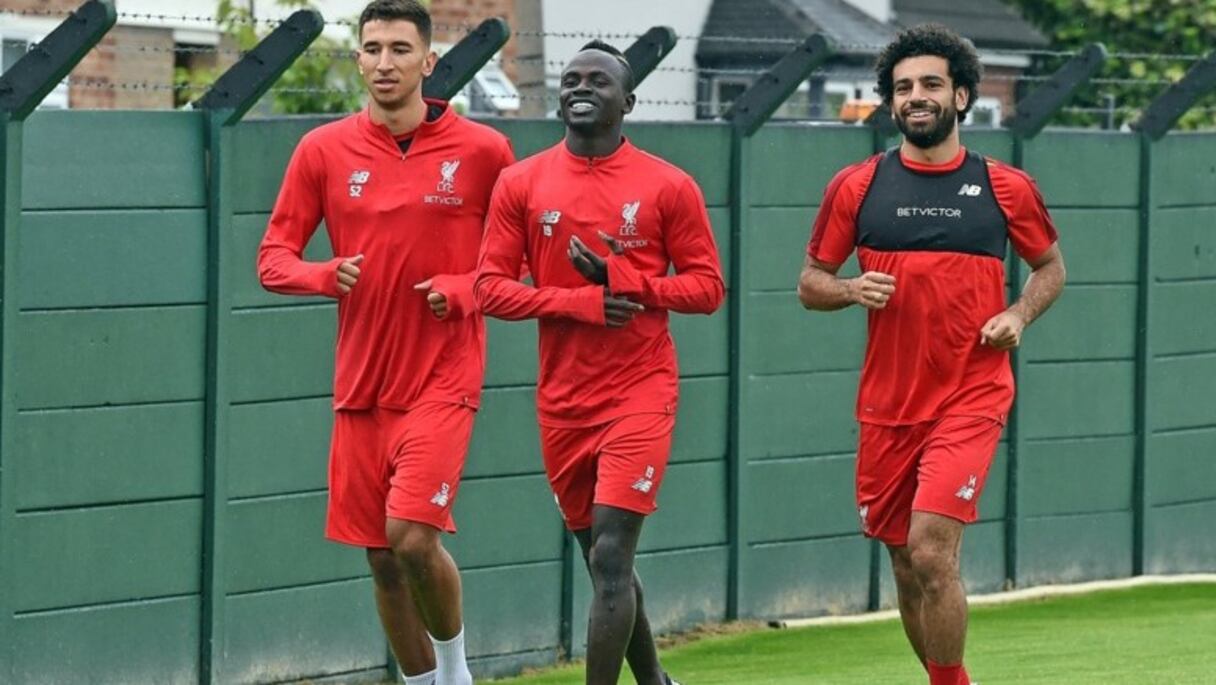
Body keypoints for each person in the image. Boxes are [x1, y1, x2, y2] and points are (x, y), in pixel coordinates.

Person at [797, 24, 1066, 685]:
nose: (915, 97)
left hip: (972, 394)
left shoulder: (1005, 188)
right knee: (904, 563)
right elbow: (810, 282)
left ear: (962, 96)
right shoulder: (855, 187)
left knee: (930, 550)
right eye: (903, 87)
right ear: (891, 102)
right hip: (888, 405)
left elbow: (1050, 267)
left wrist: (1016, 312)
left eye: (930, 85)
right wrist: (852, 287)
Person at [256, 2, 513, 683]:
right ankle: (423, 681)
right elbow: (272, 257)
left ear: (430, 62)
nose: (383, 62)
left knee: (411, 536)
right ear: (359, 58)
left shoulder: (485, 152)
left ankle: (456, 671)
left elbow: (512, 268)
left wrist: (461, 289)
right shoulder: (322, 150)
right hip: (361, 385)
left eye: (400, 49)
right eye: (371, 48)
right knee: (380, 556)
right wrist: (321, 273)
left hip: (444, 375)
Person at [474, 40, 723, 685]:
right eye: (572, 79)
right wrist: (580, 301)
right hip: (563, 401)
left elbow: (707, 289)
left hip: (641, 391)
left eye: (599, 81)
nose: (581, 88)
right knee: (602, 563)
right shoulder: (520, 182)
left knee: (612, 554)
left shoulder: (669, 186)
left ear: (628, 102)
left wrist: (628, 279)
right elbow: (489, 288)